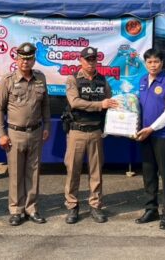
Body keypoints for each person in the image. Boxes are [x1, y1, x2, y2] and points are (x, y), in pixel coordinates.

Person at [0, 42, 50, 226]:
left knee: (33, 172)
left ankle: (31, 208)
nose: (25, 62)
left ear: (34, 60)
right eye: (22, 59)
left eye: (29, 59)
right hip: (14, 133)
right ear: (17, 60)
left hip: (35, 131)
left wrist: (47, 125)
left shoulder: (40, 78)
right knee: (16, 174)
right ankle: (16, 210)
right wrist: (1, 133)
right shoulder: (8, 80)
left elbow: (45, 105)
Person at [64, 46, 118, 224]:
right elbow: (74, 102)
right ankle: (72, 206)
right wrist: (100, 105)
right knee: (73, 171)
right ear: (80, 60)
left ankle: (95, 206)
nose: (90, 62)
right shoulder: (72, 79)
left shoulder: (103, 80)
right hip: (77, 131)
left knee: (96, 172)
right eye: (87, 59)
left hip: (95, 131)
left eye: (93, 59)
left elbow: (110, 102)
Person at [134, 48, 165, 230]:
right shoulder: (142, 81)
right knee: (149, 174)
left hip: (163, 136)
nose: (153, 65)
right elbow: (138, 105)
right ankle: (151, 209)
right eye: (149, 62)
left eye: (156, 62)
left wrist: (151, 128)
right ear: (145, 64)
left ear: (162, 63)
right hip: (145, 136)